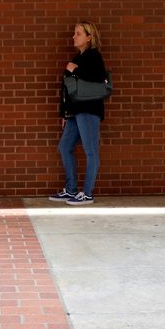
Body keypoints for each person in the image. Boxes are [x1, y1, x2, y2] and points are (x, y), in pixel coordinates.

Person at [49, 20, 107, 205]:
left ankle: (87, 193)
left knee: (91, 151)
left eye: (78, 33)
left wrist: (75, 71)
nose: (74, 36)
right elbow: (66, 89)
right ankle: (71, 189)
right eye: (74, 33)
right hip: (74, 112)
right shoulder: (77, 59)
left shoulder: (94, 57)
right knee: (64, 147)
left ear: (89, 37)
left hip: (88, 111)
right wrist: (64, 114)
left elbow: (97, 80)